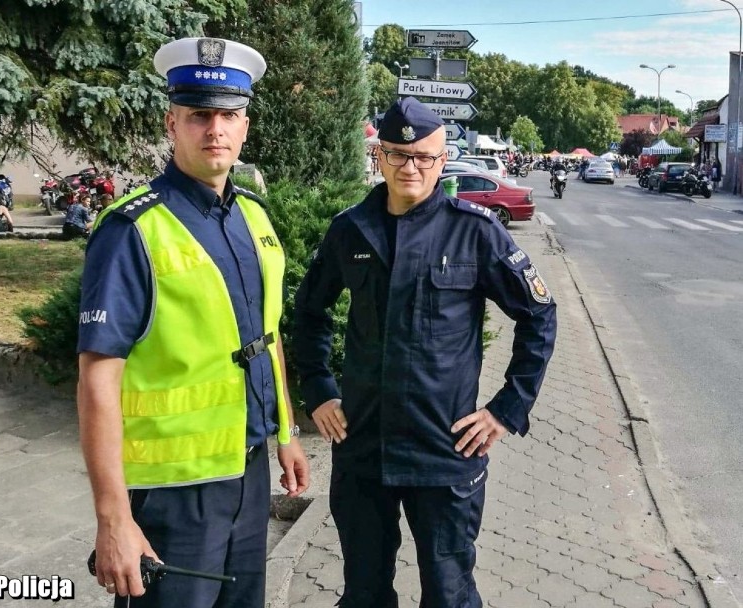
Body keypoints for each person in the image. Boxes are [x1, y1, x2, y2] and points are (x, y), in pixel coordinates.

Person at [292, 97, 557, 608]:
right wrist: (320, 391)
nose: (410, 167)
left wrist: (506, 410)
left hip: (446, 449)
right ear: (380, 157)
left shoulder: (476, 231)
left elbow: (539, 315)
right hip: (364, 445)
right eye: (397, 154)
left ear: (441, 160)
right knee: (363, 592)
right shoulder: (350, 229)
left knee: (449, 592)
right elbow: (310, 313)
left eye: (424, 157)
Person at [76, 36, 309, 608]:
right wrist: (113, 520)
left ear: (245, 126)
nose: (215, 130)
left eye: (228, 115)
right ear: (171, 123)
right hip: (172, 497)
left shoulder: (253, 218)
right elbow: (97, 379)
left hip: (249, 474)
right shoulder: (132, 231)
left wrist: (286, 432)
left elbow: (266, 337)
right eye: (199, 115)